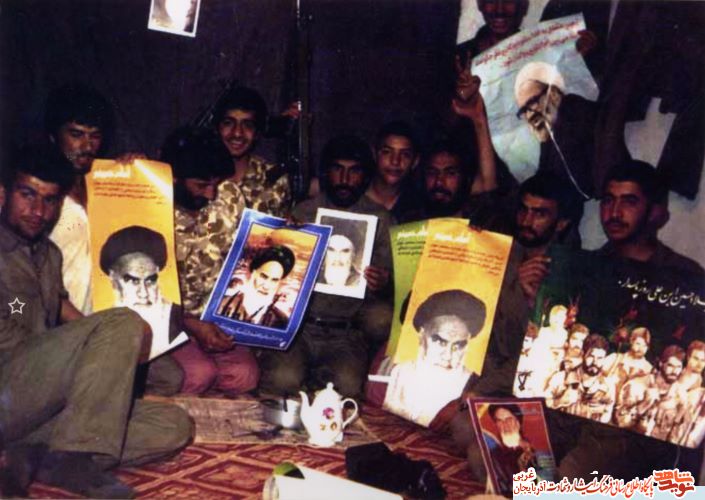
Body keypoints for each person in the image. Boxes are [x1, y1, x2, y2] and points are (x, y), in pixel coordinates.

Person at [0, 146, 192, 498]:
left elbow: (59, 306)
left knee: (174, 425)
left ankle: (40, 453)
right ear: (2, 193)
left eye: (49, 200)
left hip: (40, 397)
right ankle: (74, 459)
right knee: (124, 322)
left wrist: (109, 346)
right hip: (9, 388)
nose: (38, 211)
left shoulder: (48, 253)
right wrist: (108, 339)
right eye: (27, 195)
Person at [258, 135, 392, 398]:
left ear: (365, 176)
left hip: (346, 332)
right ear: (325, 173)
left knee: (347, 389)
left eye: (354, 171)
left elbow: (392, 287)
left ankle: (319, 380)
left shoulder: (380, 219)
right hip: (300, 328)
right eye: (337, 169)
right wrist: (288, 240)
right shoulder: (305, 213)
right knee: (282, 380)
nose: (345, 179)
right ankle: (305, 378)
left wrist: (384, 282)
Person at [164, 126, 259, 396]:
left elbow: (249, 255)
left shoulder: (229, 195)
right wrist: (191, 325)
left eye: (215, 183)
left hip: (217, 319)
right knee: (198, 375)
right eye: (201, 185)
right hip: (168, 323)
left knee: (245, 376)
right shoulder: (151, 203)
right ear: (174, 177)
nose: (211, 194)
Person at [45, 83, 114, 314]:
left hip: (101, 322)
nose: (87, 146)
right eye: (76, 134)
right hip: (50, 326)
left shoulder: (107, 187)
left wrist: (137, 170)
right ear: (53, 136)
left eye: (95, 136)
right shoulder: (39, 199)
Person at [513, 61, 629, 198]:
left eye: (533, 102)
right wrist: (544, 142)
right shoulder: (550, 131)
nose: (530, 115)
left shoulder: (577, 111)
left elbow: (583, 178)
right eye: (524, 111)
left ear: (553, 93)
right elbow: (545, 182)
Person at [384, 290, 486, 426]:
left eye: (458, 346)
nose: (448, 355)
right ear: (422, 335)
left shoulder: (475, 387)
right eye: (440, 342)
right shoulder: (395, 373)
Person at [213, 85, 291, 217]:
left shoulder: (274, 179)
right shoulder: (201, 176)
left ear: (257, 133)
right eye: (228, 123)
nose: (237, 133)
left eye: (247, 125)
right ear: (217, 128)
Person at [218, 245, 294, 328]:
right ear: (253, 272)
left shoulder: (281, 321)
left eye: (274, 280)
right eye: (264, 276)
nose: (266, 286)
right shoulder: (222, 303)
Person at [544, 334, 615, 424]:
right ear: (583, 354)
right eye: (591, 356)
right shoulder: (561, 378)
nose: (595, 362)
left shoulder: (608, 386)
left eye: (600, 358)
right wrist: (559, 401)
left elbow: (607, 412)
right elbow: (542, 405)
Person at [364, 121, 421, 223]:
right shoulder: (353, 196)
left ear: (415, 161)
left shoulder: (419, 209)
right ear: (374, 154)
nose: (395, 161)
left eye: (405, 154)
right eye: (387, 152)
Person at [485, 404, 537, 493]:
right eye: (499, 421)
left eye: (509, 419)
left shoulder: (532, 450)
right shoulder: (494, 454)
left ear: (518, 422)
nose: (505, 425)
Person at [317, 220, 363, 287]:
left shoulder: (360, 282)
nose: (337, 258)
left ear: (353, 254)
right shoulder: (314, 277)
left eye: (345, 251)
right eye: (331, 250)